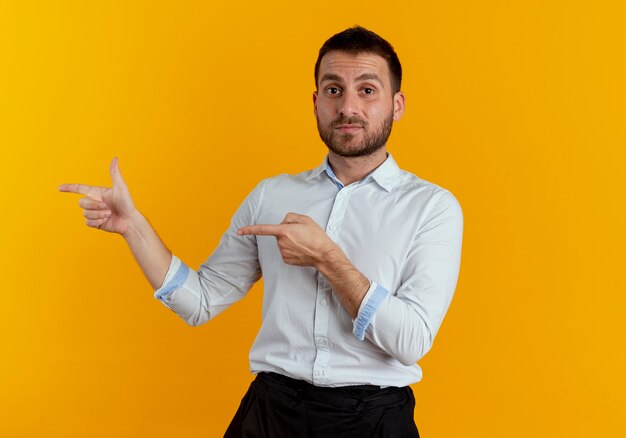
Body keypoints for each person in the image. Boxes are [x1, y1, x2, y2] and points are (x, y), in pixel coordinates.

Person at [59, 26, 463, 437]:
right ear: (316, 101)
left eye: (368, 90)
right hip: (270, 415)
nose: (348, 107)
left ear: (397, 105)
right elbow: (199, 302)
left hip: (374, 420)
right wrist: (132, 226)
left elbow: (411, 341)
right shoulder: (271, 195)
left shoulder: (432, 208)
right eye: (333, 90)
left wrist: (327, 257)